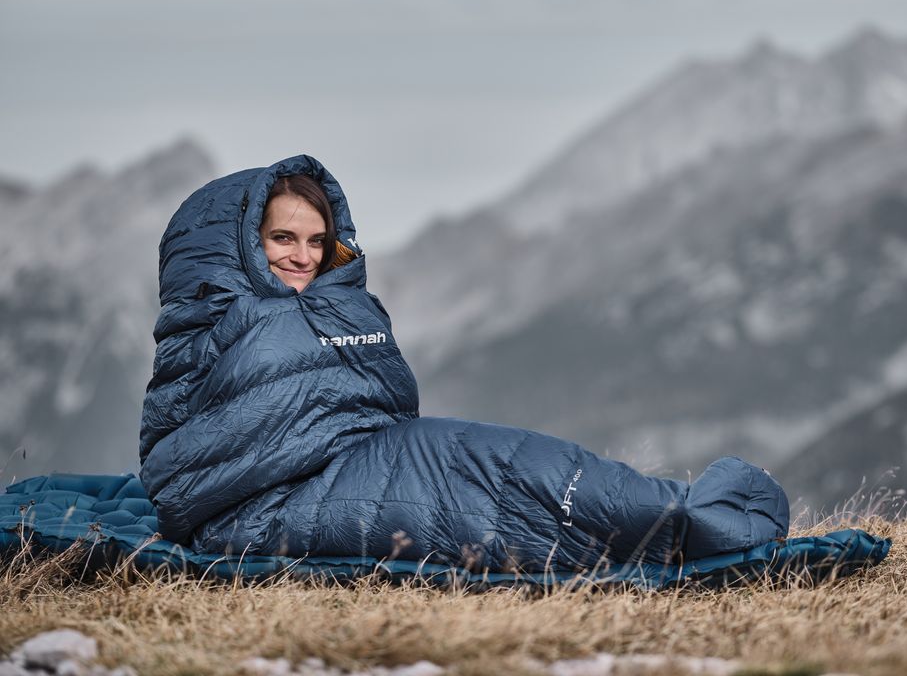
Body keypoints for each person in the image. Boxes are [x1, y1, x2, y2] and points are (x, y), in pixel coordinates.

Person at [139, 155, 789, 574]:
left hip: (357, 459)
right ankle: (684, 523)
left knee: (498, 465)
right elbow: (192, 459)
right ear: (239, 246)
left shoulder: (337, 307)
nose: (304, 257)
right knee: (486, 487)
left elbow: (380, 403)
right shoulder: (214, 320)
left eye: (316, 241)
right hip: (256, 508)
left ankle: (677, 517)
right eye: (282, 238)